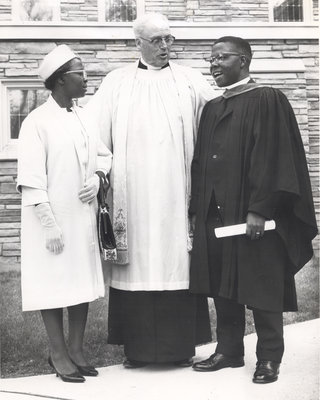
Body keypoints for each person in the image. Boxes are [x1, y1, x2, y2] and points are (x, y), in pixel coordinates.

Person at [86, 13, 215, 368]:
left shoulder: (190, 80)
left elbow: (222, 111)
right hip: (133, 198)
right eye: (156, 40)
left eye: (169, 39)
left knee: (176, 263)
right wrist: (98, 170)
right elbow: (94, 133)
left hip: (178, 195)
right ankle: (137, 351)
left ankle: (180, 348)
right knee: (138, 267)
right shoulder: (117, 82)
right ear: (137, 43)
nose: (165, 47)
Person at [189, 36, 317, 383]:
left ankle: (269, 357)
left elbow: (274, 158)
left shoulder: (268, 99)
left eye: (222, 57)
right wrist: (196, 209)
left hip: (254, 213)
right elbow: (201, 161)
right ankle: (229, 350)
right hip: (216, 211)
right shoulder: (213, 107)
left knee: (262, 283)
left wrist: (260, 208)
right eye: (210, 57)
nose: (213, 63)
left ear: (243, 60)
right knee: (221, 283)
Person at [17, 45, 112, 383]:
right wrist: (49, 225)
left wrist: (98, 178)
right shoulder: (36, 122)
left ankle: (77, 348)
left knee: (81, 283)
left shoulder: (84, 115)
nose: (86, 78)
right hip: (52, 220)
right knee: (55, 282)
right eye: (80, 73)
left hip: (82, 216)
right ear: (59, 81)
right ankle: (57, 352)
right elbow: (30, 179)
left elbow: (104, 155)